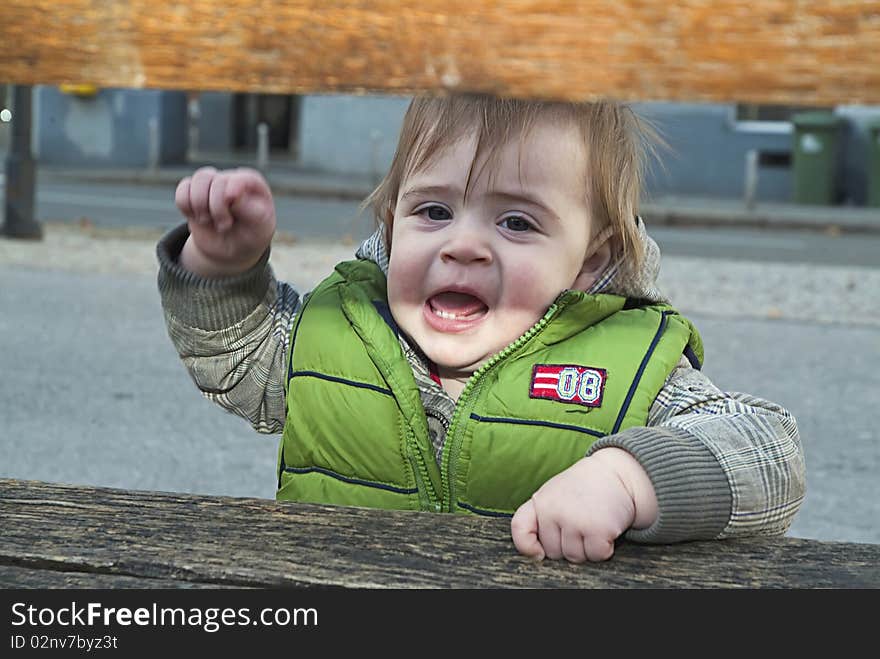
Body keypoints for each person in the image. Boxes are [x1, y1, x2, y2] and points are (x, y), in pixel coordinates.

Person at [157, 94, 805, 563]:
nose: (463, 245)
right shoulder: (336, 332)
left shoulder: (629, 369)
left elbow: (770, 455)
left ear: (591, 260)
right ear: (390, 225)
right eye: (434, 210)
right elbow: (238, 359)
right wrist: (223, 265)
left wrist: (626, 479)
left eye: (517, 222)